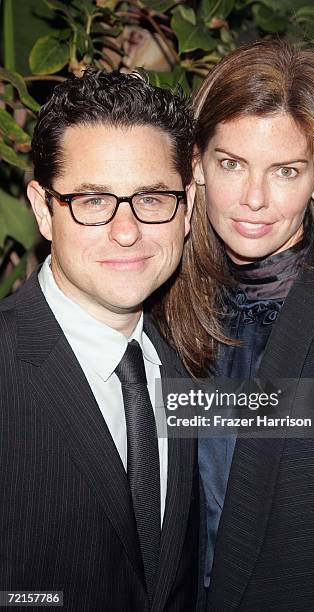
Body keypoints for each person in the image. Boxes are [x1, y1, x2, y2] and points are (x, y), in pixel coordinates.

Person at [156, 40, 314, 610]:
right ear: (195, 163)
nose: (253, 199)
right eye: (231, 164)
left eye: (285, 171)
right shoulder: (163, 317)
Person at [0, 70, 198, 611]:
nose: (127, 229)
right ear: (43, 208)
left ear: (186, 210)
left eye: (152, 198)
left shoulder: (190, 369)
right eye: (92, 201)